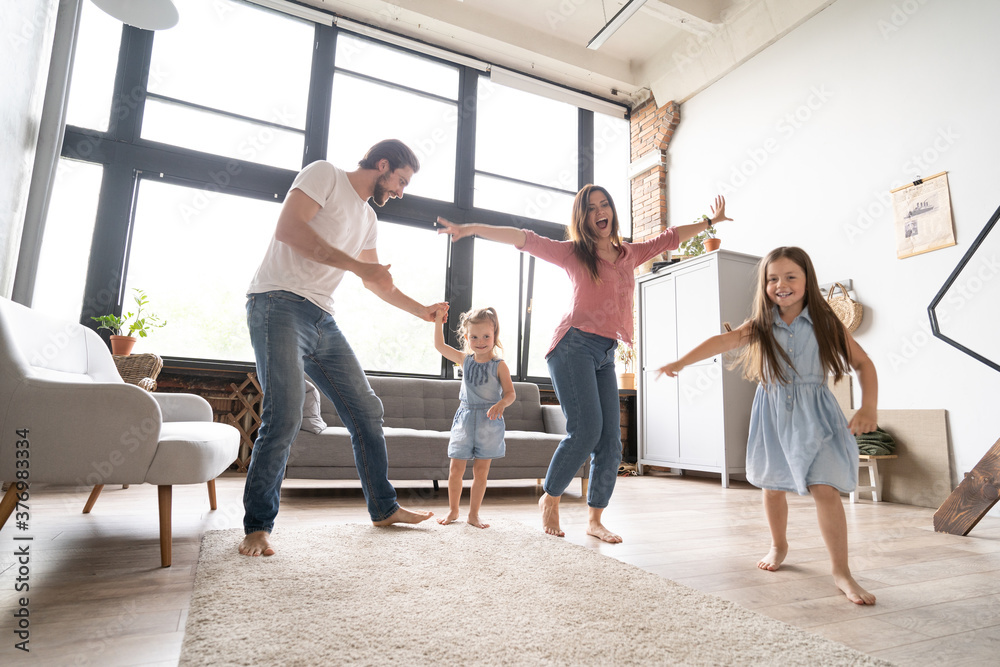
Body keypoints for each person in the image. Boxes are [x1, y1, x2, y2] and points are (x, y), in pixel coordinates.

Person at [436, 187, 731, 543]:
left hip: (606, 352)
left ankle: (595, 519)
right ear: (583, 218)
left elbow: (670, 238)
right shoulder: (575, 254)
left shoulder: (628, 254)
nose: (600, 212)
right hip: (572, 347)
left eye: (604, 204)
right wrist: (472, 228)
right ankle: (551, 495)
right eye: (591, 209)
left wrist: (709, 222)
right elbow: (523, 238)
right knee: (587, 430)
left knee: (611, 442)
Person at [240, 139, 447, 557]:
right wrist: (357, 266)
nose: (401, 191)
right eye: (401, 181)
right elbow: (290, 229)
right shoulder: (325, 175)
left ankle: (383, 508)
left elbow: (375, 279)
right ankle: (257, 526)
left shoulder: (368, 218)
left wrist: (421, 310)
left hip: (321, 318)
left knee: (366, 410)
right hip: (276, 303)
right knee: (284, 415)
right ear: (383, 164)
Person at [656, 246, 878, 605]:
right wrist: (681, 361)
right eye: (773, 278)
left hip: (816, 415)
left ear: (807, 280)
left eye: (791, 276)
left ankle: (842, 571)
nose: (781, 284)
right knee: (773, 486)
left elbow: (864, 364)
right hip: (773, 413)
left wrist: (869, 407)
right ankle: (778, 545)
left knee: (825, 489)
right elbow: (722, 341)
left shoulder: (825, 323)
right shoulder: (761, 324)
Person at [433, 307, 515, 529]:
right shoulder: (464, 360)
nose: (481, 341)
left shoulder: (500, 365)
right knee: (455, 469)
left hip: (490, 421)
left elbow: (510, 394)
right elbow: (439, 346)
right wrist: (438, 321)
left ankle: (474, 514)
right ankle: (453, 510)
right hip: (465, 418)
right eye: (474, 337)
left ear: (494, 335)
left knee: (481, 471)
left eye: (486, 336)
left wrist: (501, 404)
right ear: (467, 338)